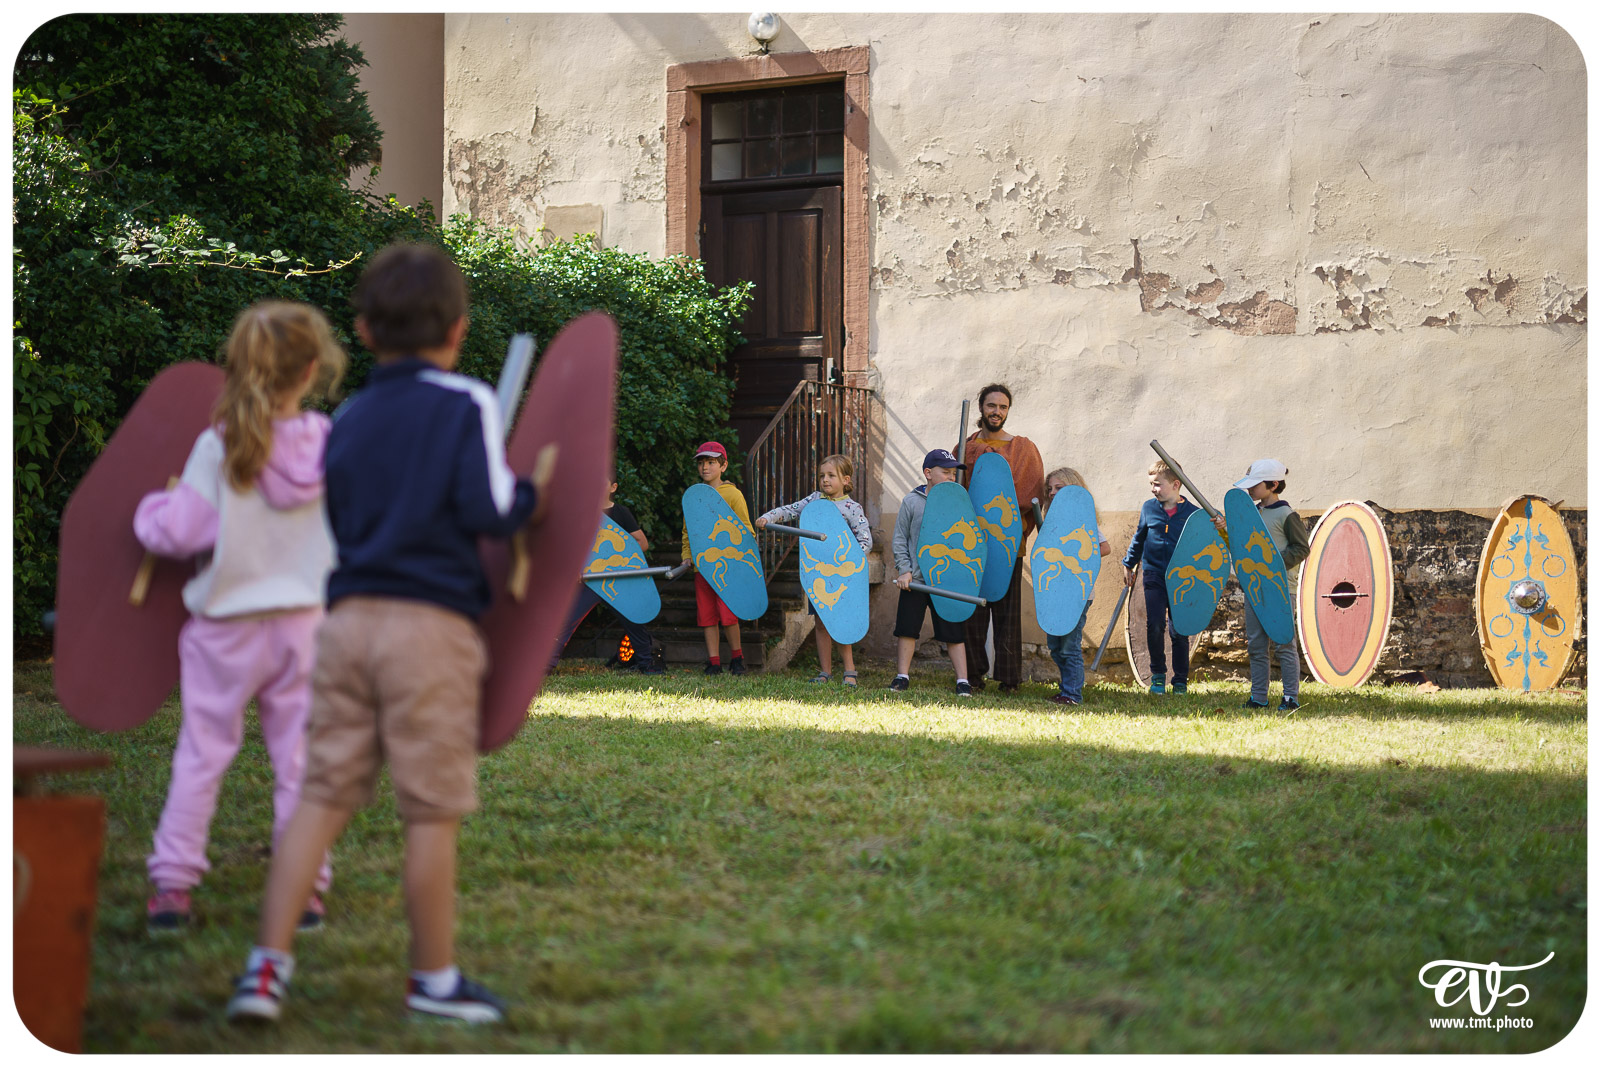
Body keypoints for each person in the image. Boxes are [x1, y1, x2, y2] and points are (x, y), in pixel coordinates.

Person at [227, 243, 554, 1025]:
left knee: (322, 795)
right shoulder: (467, 402)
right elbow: (485, 508)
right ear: (459, 330)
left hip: (343, 625)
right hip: (429, 631)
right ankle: (433, 980)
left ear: (365, 332)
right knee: (430, 809)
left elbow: (342, 519)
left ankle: (264, 970)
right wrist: (533, 498)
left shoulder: (346, 417)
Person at [134, 301, 345, 934]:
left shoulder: (217, 444)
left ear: (240, 367)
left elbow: (179, 531)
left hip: (225, 629)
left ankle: (172, 889)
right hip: (305, 627)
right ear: (312, 370)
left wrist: (150, 510)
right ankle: (304, 890)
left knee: (201, 755)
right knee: (300, 762)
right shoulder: (328, 444)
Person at [755, 453, 873, 686]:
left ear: (846, 480)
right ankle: (825, 672)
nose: (825, 480)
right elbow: (790, 510)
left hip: (842, 576)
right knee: (821, 622)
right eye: (822, 476)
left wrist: (852, 560)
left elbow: (865, 540)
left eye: (831, 475)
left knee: (840, 620)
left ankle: (850, 671)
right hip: (819, 574)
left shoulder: (852, 508)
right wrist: (768, 517)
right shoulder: (814, 501)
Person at [959, 383, 1045, 693]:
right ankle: (972, 676)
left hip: (1009, 543)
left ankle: (1010, 679)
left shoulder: (1023, 449)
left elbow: (1030, 492)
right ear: (981, 408)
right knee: (973, 611)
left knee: (1007, 614)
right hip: (972, 542)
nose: (997, 411)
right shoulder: (964, 448)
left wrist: (1010, 529)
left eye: (1003, 407)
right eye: (992, 405)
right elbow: (959, 494)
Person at [1212, 459, 1310, 711]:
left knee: (1284, 642)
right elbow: (1238, 543)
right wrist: (1225, 529)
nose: (1250, 490)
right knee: (1256, 644)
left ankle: (1290, 697)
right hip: (1254, 587)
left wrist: (1274, 565)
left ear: (1273, 484)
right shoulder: (1252, 512)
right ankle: (1258, 697)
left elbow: (1301, 548)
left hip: (1279, 588)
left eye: (1255, 485)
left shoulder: (1287, 515)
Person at [550, 473, 664, 674]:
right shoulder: (584, 513)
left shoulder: (621, 513)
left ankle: (645, 664)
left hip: (617, 580)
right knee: (568, 618)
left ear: (613, 487)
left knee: (633, 619)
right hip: (592, 581)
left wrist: (622, 559)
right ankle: (547, 664)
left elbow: (642, 543)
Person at [888, 449, 973, 696]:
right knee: (907, 628)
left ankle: (963, 681)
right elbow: (900, 539)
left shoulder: (958, 501)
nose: (950, 477)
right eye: (945, 472)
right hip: (915, 580)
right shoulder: (911, 502)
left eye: (953, 473)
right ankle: (902, 675)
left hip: (946, 581)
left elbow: (966, 539)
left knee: (953, 631)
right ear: (928, 473)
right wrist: (904, 570)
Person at [1121, 460, 1200, 694]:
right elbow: (1139, 537)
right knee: (1154, 624)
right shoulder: (1149, 508)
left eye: (1157, 484)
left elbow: (1203, 546)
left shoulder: (1193, 514)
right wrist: (1129, 563)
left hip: (1181, 579)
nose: (1153, 489)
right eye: (1151, 484)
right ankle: (1158, 675)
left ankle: (1180, 680)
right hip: (1153, 574)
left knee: (1179, 630)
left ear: (1176, 484)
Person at [1040, 467, 1112, 707]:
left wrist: (1077, 555)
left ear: (1073, 488)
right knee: (1055, 646)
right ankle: (1067, 688)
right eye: (1049, 489)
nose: (1052, 493)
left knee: (1069, 645)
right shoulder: (1053, 522)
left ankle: (1072, 694)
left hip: (1077, 594)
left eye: (1058, 488)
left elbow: (1104, 548)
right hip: (1054, 592)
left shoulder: (1084, 521)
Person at [680, 441, 749, 675]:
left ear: (723, 465)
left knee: (728, 615)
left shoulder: (733, 495)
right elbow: (688, 531)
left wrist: (737, 556)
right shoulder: (693, 496)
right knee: (707, 616)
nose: (705, 467)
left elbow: (746, 529)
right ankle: (714, 662)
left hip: (727, 567)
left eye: (711, 462)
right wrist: (687, 556)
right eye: (701, 463)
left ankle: (737, 659)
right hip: (702, 567)